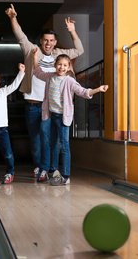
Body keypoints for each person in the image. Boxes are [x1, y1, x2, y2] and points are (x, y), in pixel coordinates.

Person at [5, 4, 84, 182]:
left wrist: (72, 31)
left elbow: (79, 50)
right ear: (41, 41)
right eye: (46, 40)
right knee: (35, 141)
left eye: (52, 40)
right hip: (33, 104)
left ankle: (47, 169)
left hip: (51, 106)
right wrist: (12, 17)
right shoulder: (31, 50)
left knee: (49, 140)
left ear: (55, 42)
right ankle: (40, 166)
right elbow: (20, 35)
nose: (48, 43)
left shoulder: (59, 54)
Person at [31, 49, 108, 185]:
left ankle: (65, 176)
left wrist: (98, 89)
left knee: (64, 145)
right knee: (53, 144)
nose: (62, 67)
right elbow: (38, 72)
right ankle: (53, 171)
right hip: (52, 115)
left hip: (63, 118)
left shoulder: (69, 81)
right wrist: (35, 57)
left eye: (65, 65)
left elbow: (83, 92)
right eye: (59, 64)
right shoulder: (49, 77)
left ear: (68, 68)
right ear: (55, 65)